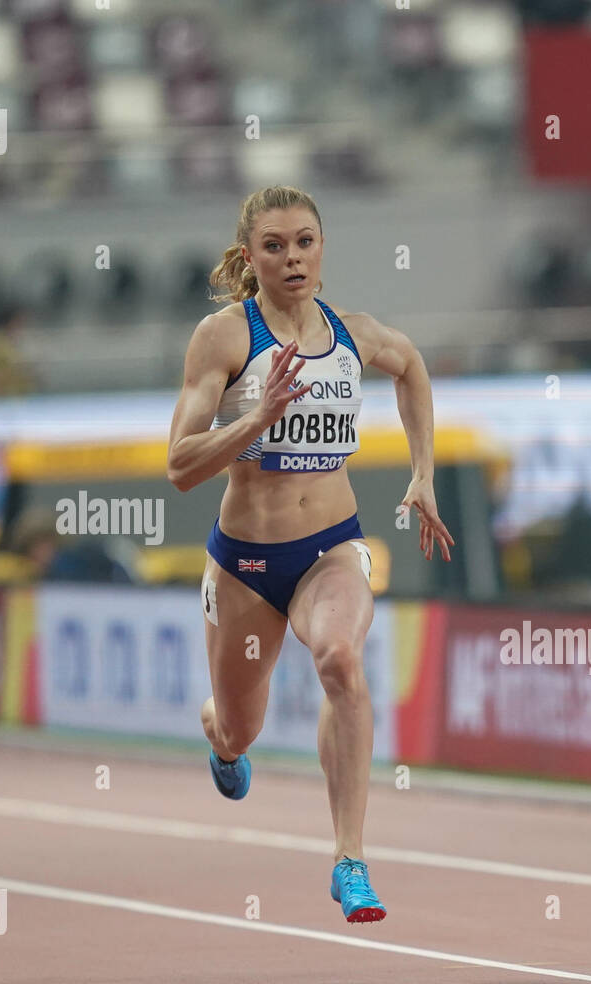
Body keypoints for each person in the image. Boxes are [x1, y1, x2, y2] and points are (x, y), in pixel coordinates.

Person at [166, 185, 454, 924]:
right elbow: (181, 465)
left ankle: (349, 860)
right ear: (249, 257)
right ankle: (221, 741)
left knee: (340, 661)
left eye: (303, 242)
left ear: (321, 249)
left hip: (332, 546)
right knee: (240, 725)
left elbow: (413, 366)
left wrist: (422, 473)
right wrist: (255, 417)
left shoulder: (353, 335)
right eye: (273, 246)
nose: (290, 257)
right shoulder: (226, 339)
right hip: (246, 567)